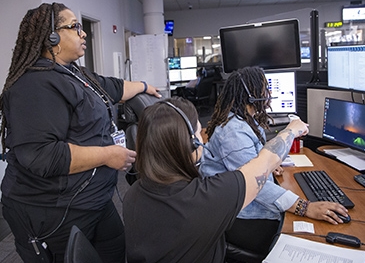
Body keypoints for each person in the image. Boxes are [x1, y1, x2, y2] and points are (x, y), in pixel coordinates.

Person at [0, 2, 161, 263]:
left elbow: (112, 88)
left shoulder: (74, 73)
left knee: (116, 250)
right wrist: (107, 155)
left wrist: (144, 86)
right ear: (52, 37)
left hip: (93, 199)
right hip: (51, 209)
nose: (83, 33)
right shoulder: (34, 86)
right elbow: (41, 156)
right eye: (74, 27)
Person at [122, 96, 309, 262]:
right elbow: (265, 161)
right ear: (191, 144)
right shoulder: (207, 199)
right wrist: (291, 130)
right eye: (198, 133)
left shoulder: (133, 194)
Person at [199, 66, 349, 258]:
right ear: (252, 94)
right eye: (265, 89)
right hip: (240, 216)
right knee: (307, 235)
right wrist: (306, 207)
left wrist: (268, 165)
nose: (268, 94)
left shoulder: (246, 120)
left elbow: (255, 162)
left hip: (243, 202)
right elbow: (253, 184)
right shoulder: (233, 132)